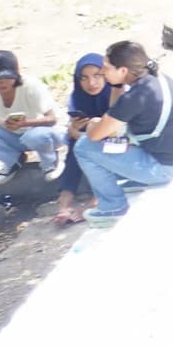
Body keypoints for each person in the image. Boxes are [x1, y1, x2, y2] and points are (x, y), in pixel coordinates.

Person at [73, 41, 173, 224]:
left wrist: (92, 125)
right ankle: (135, 179)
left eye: (105, 68)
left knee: (84, 147)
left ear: (122, 71)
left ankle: (113, 207)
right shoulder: (157, 78)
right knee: (116, 139)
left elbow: (96, 135)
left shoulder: (135, 98)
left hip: (170, 168)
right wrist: (116, 86)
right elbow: (115, 113)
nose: (103, 72)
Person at [53, 53, 112, 225]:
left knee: (94, 147)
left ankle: (95, 201)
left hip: (115, 143)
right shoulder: (77, 97)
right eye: (84, 78)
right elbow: (74, 128)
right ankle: (64, 202)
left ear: (106, 74)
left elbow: (117, 132)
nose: (91, 83)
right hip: (86, 141)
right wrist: (73, 130)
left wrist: (81, 136)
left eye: (97, 75)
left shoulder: (116, 93)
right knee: (75, 146)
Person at [0, 50, 65, 185]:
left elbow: (52, 119)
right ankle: (13, 160)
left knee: (35, 136)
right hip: (14, 136)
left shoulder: (31, 86)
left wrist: (25, 123)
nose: (2, 83)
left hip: (46, 134)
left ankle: (50, 162)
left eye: (7, 78)